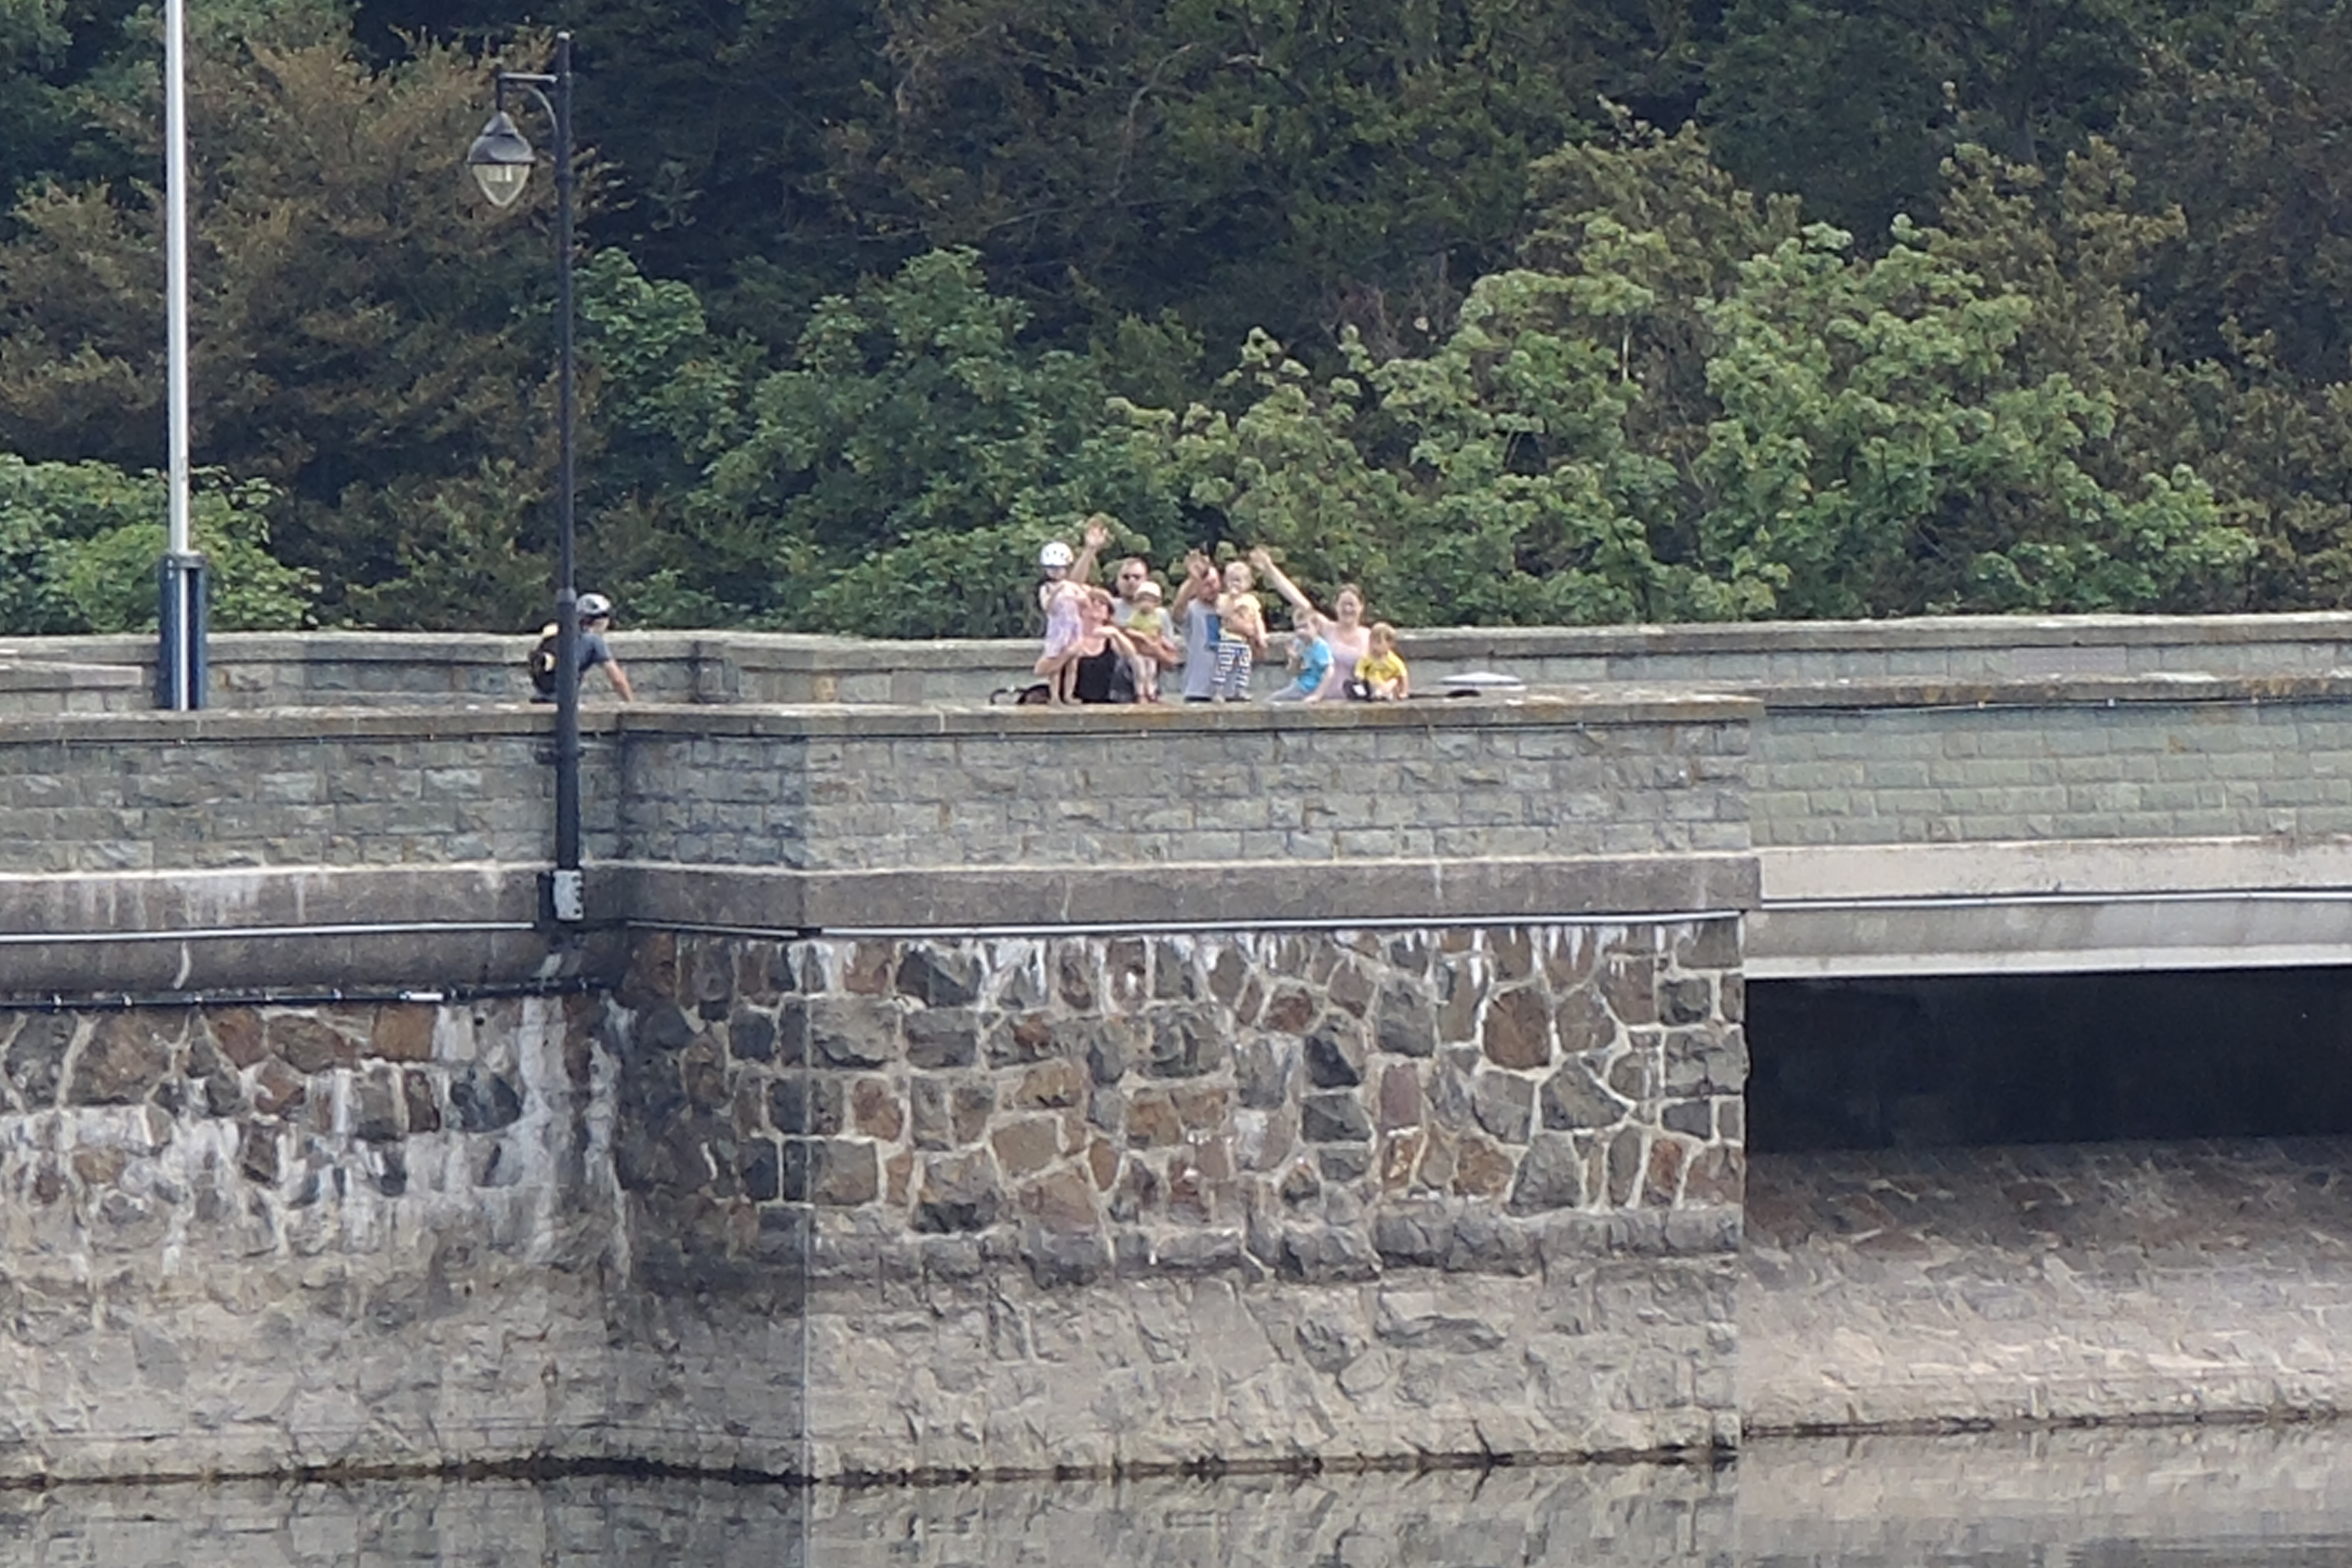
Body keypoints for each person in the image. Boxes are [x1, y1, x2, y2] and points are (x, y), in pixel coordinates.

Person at [1249, 549, 1370, 700]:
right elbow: (1298, 601)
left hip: (1351, 700)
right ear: (1336, 606)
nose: (1347, 609)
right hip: (1318, 698)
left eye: (1352, 605)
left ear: (1361, 607)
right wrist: (1270, 568)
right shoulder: (1327, 628)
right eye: (1343, 604)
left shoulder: (1369, 636)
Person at [1035, 587, 1144, 704]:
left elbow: (1132, 656)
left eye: (1102, 603)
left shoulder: (1110, 639)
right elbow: (1040, 671)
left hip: (1104, 704)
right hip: (1071, 706)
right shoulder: (1068, 637)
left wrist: (1116, 634)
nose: (1096, 604)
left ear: (1108, 614)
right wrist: (1067, 654)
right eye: (1092, 601)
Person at [528, 592, 633, 702]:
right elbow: (617, 680)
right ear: (602, 620)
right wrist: (632, 705)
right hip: (563, 703)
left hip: (539, 700)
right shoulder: (594, 641)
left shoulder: (561, 634)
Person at [1170, 550, 1223, 703]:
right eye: (1206, 585)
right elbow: (1177, 612)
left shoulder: (1231, 606)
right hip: (1198, 687)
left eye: (1214, 583)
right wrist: (1193, 579)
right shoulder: (1192, 609)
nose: (1212, 588)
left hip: (1229, 688)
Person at [1211, 558, 1267, 702]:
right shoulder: (1223, 599)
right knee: (1224, 665)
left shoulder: (1251, 601)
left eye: (1238, 580)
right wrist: (1232, 600)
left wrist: (1261, 635)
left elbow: (1257, 619)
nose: (1235, 584)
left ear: (1247, 583)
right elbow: (1222, 614)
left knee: (1244, 666)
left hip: (1244, 641)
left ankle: (1241, 689)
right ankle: (1218, 690)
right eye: (1231, 580)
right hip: (1228, 639)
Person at [1121, 580, 1174, 702]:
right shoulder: (1136, 616)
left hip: (1152, 651)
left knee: (1152, 672)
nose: (1146, 604)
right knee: (1141, 672)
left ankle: (1151, 691)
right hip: (1139, 651)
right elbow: (1128, 630)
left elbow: (1159, 633)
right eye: (1143, 601)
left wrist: (1166, 644)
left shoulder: (1157, 616)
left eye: (1150, 601)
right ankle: (1140, 693)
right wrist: (1142, 636)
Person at [1269, 600, 1330, 702]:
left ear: (1316, 627)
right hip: (1299, 685)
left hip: (1311, 688)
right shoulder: (1299, 643)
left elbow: (1330, 671)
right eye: (1298, 628)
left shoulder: (1320, 646)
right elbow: (1293, 672)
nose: (1301, 632)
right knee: (1271, 700)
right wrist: (1295, 659)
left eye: (1305, 627)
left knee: (1273, 701)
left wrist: (1318, 695)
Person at [1353, 622, 1410, 701]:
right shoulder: (1367, 658)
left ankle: (1385, 695)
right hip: (1373, 684)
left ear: (1390, 644)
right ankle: (1374, 695)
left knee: (1393, 682)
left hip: (1388, 684)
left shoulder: (1394, 661)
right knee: (1367, 685)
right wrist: (1360, 676)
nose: (1374, 646)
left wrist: (1404, 692)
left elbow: (1403, 675)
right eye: (1371, 642)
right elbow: (1360, 669)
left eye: (1379, 642)